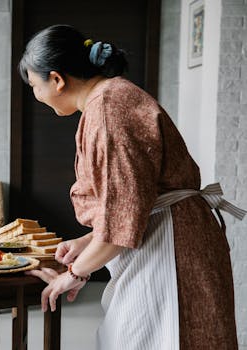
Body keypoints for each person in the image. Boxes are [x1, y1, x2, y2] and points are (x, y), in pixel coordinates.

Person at [19, 24, 245, 349]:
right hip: (165, 234)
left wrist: (76, 272)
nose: (36, 95)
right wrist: (87, 241)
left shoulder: (109, 111)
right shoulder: (110, 99)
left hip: (171, 246)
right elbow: (130, 201)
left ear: (56, 79)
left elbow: (125, 220)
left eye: (34, 85)